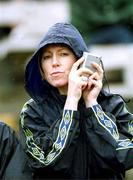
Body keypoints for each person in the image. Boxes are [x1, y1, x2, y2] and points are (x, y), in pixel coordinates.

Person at [18, 22, 133, 179]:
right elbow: (45, 161)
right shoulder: (32, 112)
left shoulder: (112, 105)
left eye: (63, 54)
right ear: (41, 70)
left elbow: (126, 156)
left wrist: (92, 104)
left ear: (81, 60)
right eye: (46, 57)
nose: (54, 62)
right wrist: (71, 101)